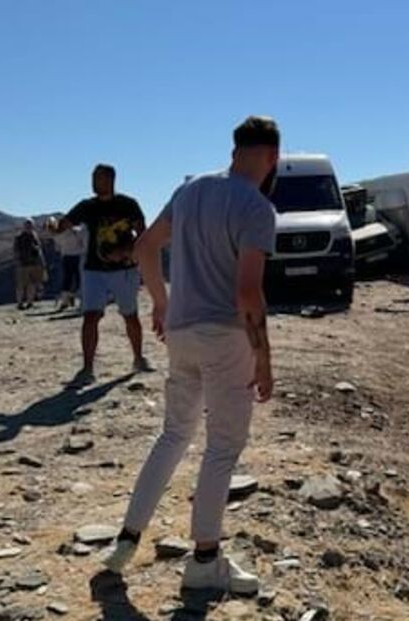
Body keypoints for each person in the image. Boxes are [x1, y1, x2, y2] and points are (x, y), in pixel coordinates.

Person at [98, 116, 279, 595]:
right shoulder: (257, 208)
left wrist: (161, 301)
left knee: (173, 435)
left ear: (236, 149)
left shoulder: (192, 189)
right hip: (226, 338)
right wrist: (263, 359)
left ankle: (125, 541)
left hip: (181, 333)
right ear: (273, 157)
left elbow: (144, 247)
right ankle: (204, 560)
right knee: (222, 448)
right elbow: (247, 293)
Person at [58, 164, 149, 387]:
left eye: (98, 178)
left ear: (110, 180)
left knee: (130, 316)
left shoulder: (128, 204)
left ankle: (138, 358)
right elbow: (64, 225)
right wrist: (54, 226)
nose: (94, 182)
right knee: (90, 317)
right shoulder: (86, 206)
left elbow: (143, 234)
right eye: (93, 178)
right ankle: (87, 368)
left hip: (124, 270)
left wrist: (127, 252)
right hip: (94, 270)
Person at [47, 216, 85, 310]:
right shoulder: (75, 231)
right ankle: (78, 299)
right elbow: (82, 240)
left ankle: (66, 300)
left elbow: (57, 248)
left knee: (68, 279)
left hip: (66, 256)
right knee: (78, 278)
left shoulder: (57, 235)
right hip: (77, 256)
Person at [13, 218, 45, 310]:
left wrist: (42, 262)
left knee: (32, 284)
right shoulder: (19, 237)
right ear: (24, 226)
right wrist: (18, 261)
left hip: (34, 263)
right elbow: (16, 251)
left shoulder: (35, 237)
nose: (29, 227)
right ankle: (20, 303)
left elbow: (39, 250)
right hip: (22, 264)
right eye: (27, 225)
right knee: (21, 285)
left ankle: (30, 302)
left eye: (30, 225)